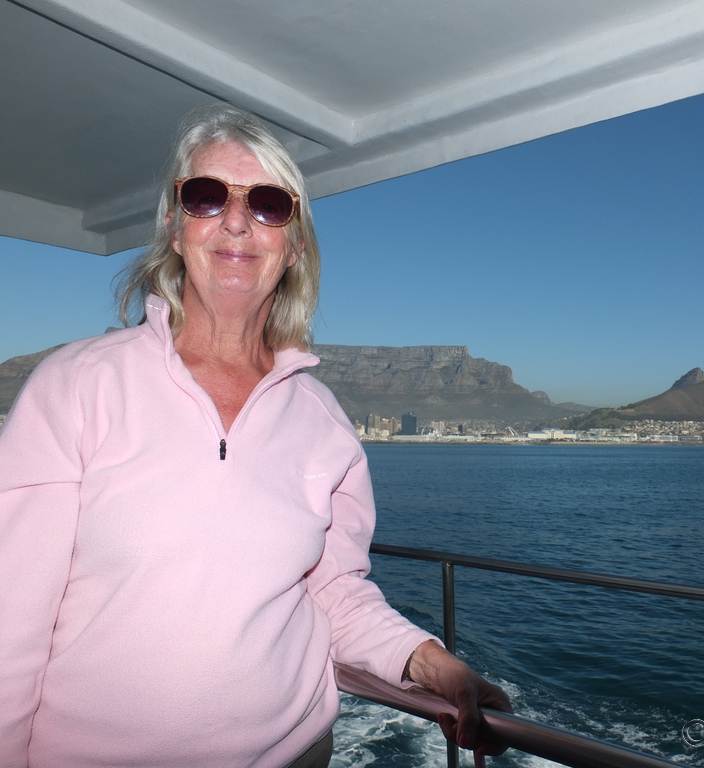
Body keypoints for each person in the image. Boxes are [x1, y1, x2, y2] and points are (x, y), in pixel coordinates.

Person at [0, 104, 511, 768]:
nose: (237, 221)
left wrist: (431, 662)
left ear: (293, 245)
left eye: (268, 204)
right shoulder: (75, 386)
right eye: (206, 196)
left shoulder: (323, 420)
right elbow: (11, 620)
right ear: (174, 226)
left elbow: (332, 592)